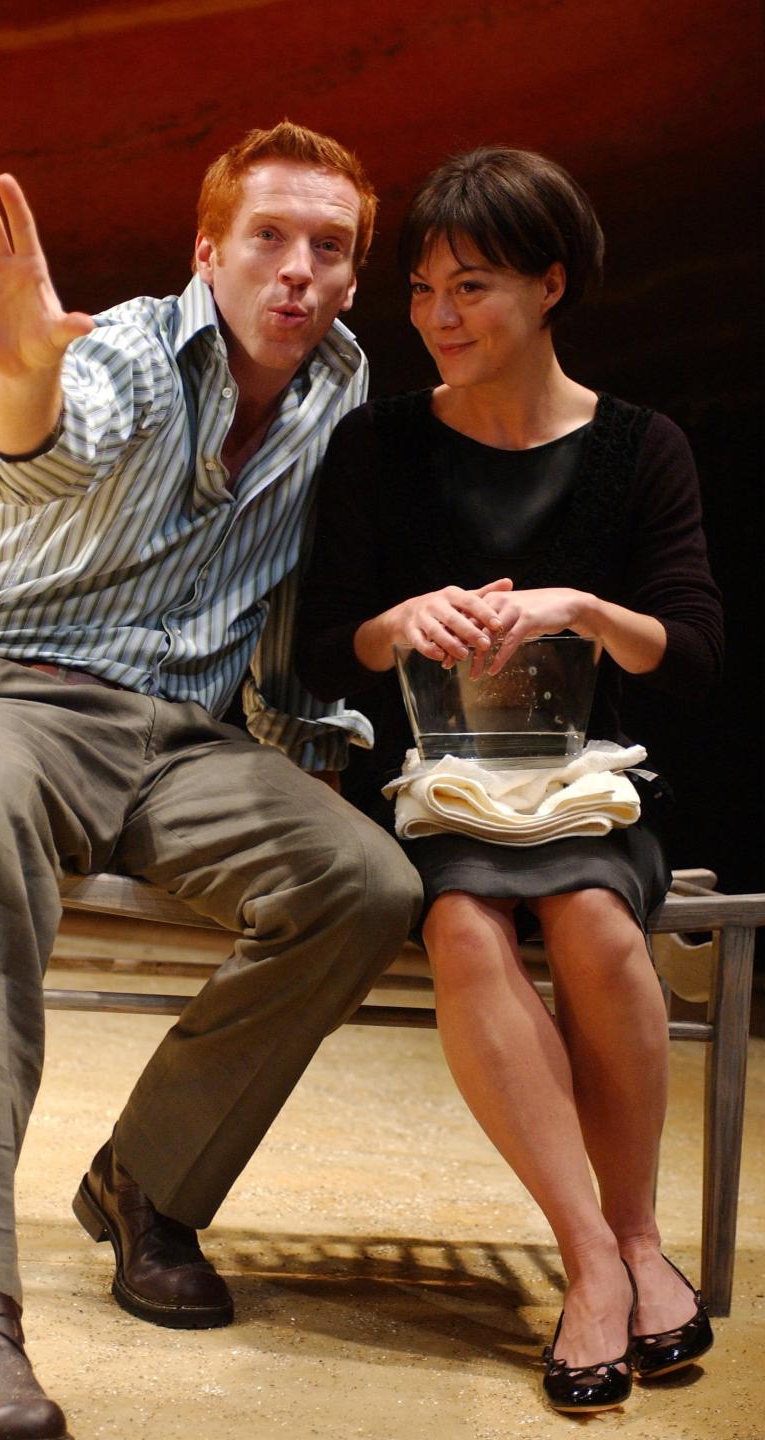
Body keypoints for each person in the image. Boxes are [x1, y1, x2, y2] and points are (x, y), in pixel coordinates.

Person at [0, 121, 423, 1440]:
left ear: (354, 276)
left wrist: (311, 761)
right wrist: (19, 369)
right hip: (15, 696)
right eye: (268, 239)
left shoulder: (339, 387)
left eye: (329, 247)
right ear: (209, 250)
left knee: (363, 882)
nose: (297, 270)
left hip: (184, 739)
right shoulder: (124, 345)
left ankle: (147, 1181)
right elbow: (42, 435)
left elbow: (296, 599)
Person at [296, 146, 723, 1413]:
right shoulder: (380, 445)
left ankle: (640, 1240)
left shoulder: (642, 449)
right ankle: (595, 1261)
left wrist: (584, 606)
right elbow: (326, 646)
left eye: (469, 286)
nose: (437, 316)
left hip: (592, 791)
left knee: (593, 914)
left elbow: (694, 655)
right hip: (442, 795)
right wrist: (400, 623)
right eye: (424, 290)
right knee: (470, 927)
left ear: (550, 286)